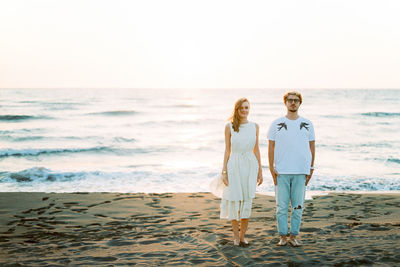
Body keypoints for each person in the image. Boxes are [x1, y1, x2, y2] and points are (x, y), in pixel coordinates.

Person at [267, 91, 315, 247]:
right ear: (285, 103)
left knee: (298, 206)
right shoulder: (276, 123)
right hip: (281, 171)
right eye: (290, 100)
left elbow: (312, 146)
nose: (293, 103)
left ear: (300, 103)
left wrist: (311, 167)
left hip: (301, 171)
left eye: (296, 100)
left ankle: (293, 236)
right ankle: (282, 236)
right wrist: (271, 167)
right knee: (281, 207)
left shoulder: (308, 124)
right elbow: (271, 147)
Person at [220, 97, 263, 247]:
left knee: (247, 200)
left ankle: (243, 237)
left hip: (251, 165)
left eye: (246, 107)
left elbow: (256, 149)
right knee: (234, 199)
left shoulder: (255, 126)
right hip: (234, 165)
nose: (244, 110)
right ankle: (235, 236)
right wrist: (223, 171)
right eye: (241, 108)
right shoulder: (229, 126)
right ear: (236, 110)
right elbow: (227, 150)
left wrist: (260, 171)